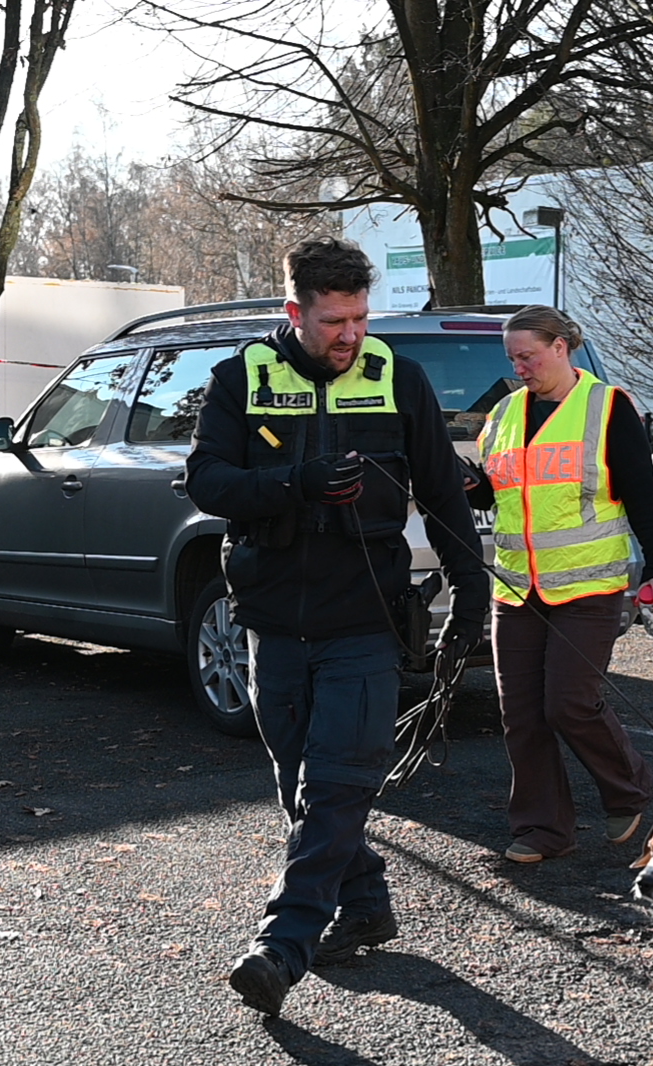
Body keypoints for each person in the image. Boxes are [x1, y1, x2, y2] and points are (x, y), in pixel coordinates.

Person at [184, 237, 489, 1015]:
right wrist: (296, 484)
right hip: (274, 620)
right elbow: (207, 482)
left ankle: (283, 944)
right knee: (299, 781)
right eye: (333, 321)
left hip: (365, 619)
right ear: (294, 312)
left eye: (359, 317)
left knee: (335, 785)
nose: (351, 335)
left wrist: (470, 595)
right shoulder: (241, 379)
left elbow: (446, 496)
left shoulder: (400, 379)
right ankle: (364, 901)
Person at [467, 305, 653, 864]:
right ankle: (543, 830)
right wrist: (464, 485)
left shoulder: (608, 408)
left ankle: (628, 787)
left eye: (528, 356)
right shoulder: (505, 412)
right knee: (521, 715)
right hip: (515, 590)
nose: (520, 368)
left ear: (562, 347)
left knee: (569, 704)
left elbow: (642, 495)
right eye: (512, 358)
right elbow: (494, 491)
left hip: (588, 587)